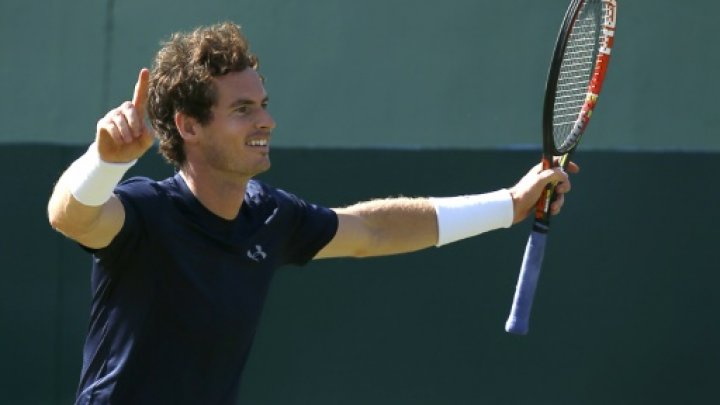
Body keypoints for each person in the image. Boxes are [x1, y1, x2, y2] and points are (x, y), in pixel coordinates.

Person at [47, 22, 577, 405]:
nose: (268, 120)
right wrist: (103, 162)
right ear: (189, 126)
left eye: (263, 103)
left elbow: (371, 230)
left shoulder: (269, 216)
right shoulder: (145, 211)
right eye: (243, 109)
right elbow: (70, 216)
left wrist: (508, 205)